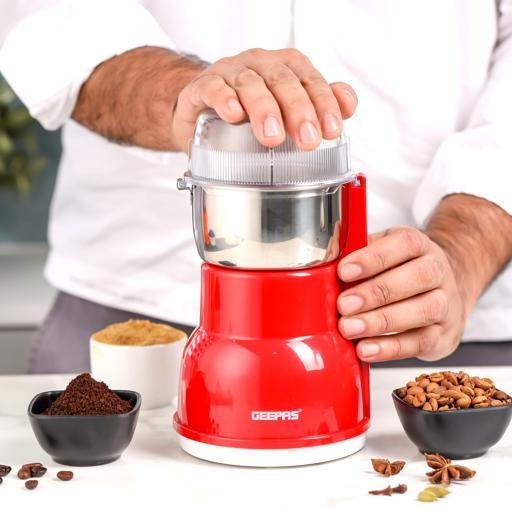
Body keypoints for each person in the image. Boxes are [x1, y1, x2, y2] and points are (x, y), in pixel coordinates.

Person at [0, 0, 511, 373]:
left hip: (431, 319)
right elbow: (51, 14)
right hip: (138, 306)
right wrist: (190, 100)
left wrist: (461, 254)